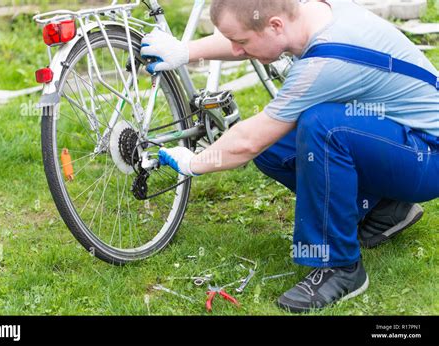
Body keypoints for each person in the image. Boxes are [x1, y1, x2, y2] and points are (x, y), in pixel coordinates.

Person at [140, 0, 439, 312]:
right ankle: (384, 209)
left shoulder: (326, 61)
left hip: (429, 155)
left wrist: (192, 162)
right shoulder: (309, 14)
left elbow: (248, 141)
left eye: (241, 43)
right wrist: (186, 51)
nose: (239, 50)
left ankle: (340, 268)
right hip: (401, 139)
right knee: (277, 145)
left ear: (275, 26)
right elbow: (246, 31)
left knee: (323, 126)